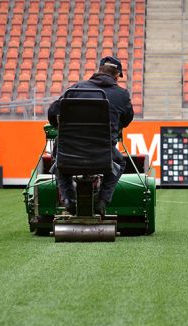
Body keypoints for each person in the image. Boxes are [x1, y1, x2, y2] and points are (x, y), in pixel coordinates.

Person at [48, 56, 134, 216]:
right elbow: (127, 120)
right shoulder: (122, 95)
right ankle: (102, 201)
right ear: (117, 76)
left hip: (69, 155)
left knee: (57, 155)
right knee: (120, 162)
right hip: (103, 156)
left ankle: (67, 199)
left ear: (99, 71)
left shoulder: (76, 89)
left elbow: (52, 113)